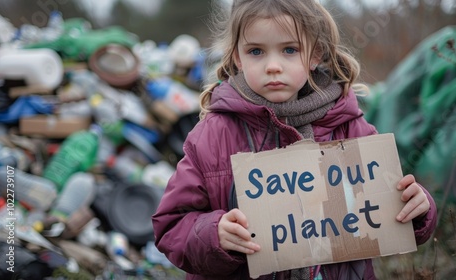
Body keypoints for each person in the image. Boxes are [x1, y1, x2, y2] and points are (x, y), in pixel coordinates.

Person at [152, 0, 437, 279]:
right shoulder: (213, 135)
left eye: (290, 50)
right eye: (256, 52)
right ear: (237, 57)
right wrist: (215, 234)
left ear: (315, 54)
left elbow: (388, 208)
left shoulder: (352, 127)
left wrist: (417, 207)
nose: (273, 66)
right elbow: (171, 227)